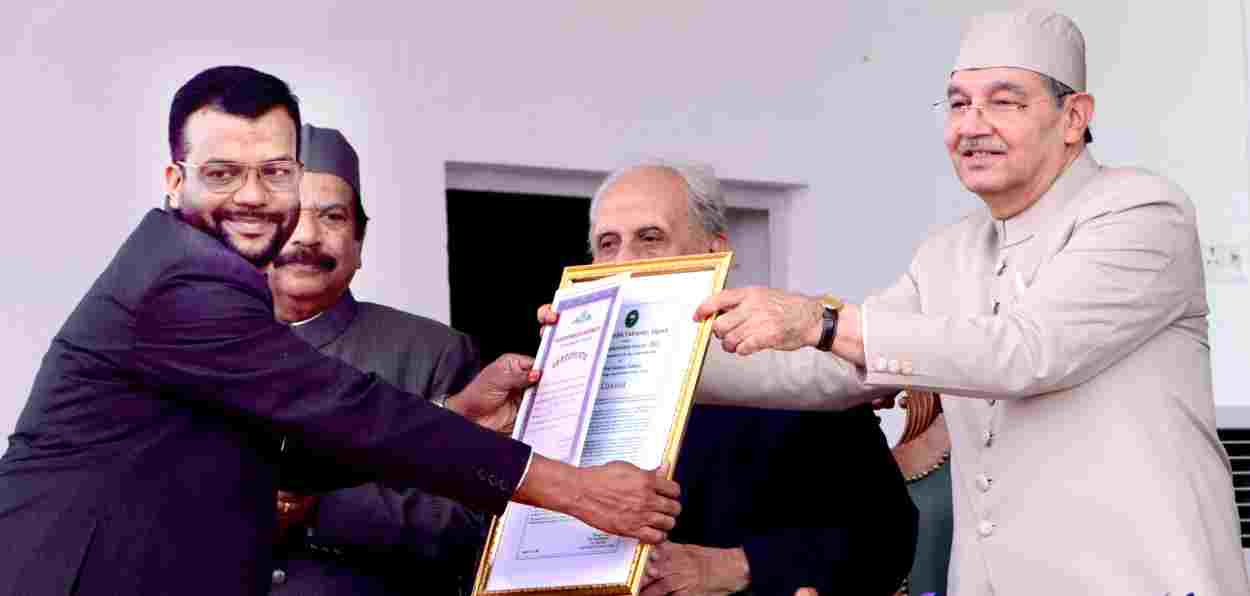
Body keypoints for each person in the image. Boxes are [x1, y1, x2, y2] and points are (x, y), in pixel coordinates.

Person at [0, 66, 680, 596]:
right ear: (175, 180)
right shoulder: (184, 282)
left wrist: (459, 410)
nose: (252, 197)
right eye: (221, 174)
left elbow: (290, 451)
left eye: (275, 172)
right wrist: (578, 490)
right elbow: (351, 410)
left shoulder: (194, 274)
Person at [689, 10, 1250, 595]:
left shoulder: (1142, 211)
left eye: (1004, 102)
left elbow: (1027, 351)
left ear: (1074, 117)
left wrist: (821, 321)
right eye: (958, 105)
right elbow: (827, 368)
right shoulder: (948, 251)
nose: (972, 126)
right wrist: (652, 370)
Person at [555, 162, 917, 596]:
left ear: (714, 251)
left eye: (650, 239)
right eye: (607, 244)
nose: (625, 262)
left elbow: (886, 536)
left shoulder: (790, 369)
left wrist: (734, 566)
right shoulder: (568, 381)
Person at [264, 124, 488, 595]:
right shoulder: (197, 351)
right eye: (288, 215)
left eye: (332, 217)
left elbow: (473, 524)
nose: (307, 235)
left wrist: (319, 509)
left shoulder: (432, 353)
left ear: (359, 244)